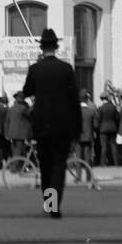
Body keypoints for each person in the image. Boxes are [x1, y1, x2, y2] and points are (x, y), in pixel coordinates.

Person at [21, 29, 82, 218]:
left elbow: (27, 90)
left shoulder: (35, 69)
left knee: (46, 167)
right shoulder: (66, 69)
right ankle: (54, 206)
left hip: (42, 127)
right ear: (55, 47)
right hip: (62, 127)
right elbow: (74, 101)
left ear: (42, 48)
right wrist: (77, 129)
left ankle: (50, 203)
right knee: (58, 166)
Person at [5, 91, 33, 158]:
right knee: (19, 150)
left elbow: (6, 122)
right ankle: (15, 166)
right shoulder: (23, 109)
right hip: (20, 134)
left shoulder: (11, 109)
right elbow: (30, 115)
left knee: (15, 150)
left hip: (11, 133)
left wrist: (6, 134)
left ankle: (17, 165)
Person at [96, 90, 121, 166]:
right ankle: (116, 163)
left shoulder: (100, 108)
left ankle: (103, 163)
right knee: (113, 146)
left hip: (103, 129)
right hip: (113, 128)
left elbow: (98, 119)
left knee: (104, 147)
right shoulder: (113, 107)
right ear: (108, 98)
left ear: (101, 99)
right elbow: (117, 118)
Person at [76, 91, 96, 162]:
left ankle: (78, 172)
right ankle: (88, 172)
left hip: (78, 135)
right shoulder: (91, 111)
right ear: (87, 99)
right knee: (87, 154)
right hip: (88, 135)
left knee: (78, 156)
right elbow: (96, 124)